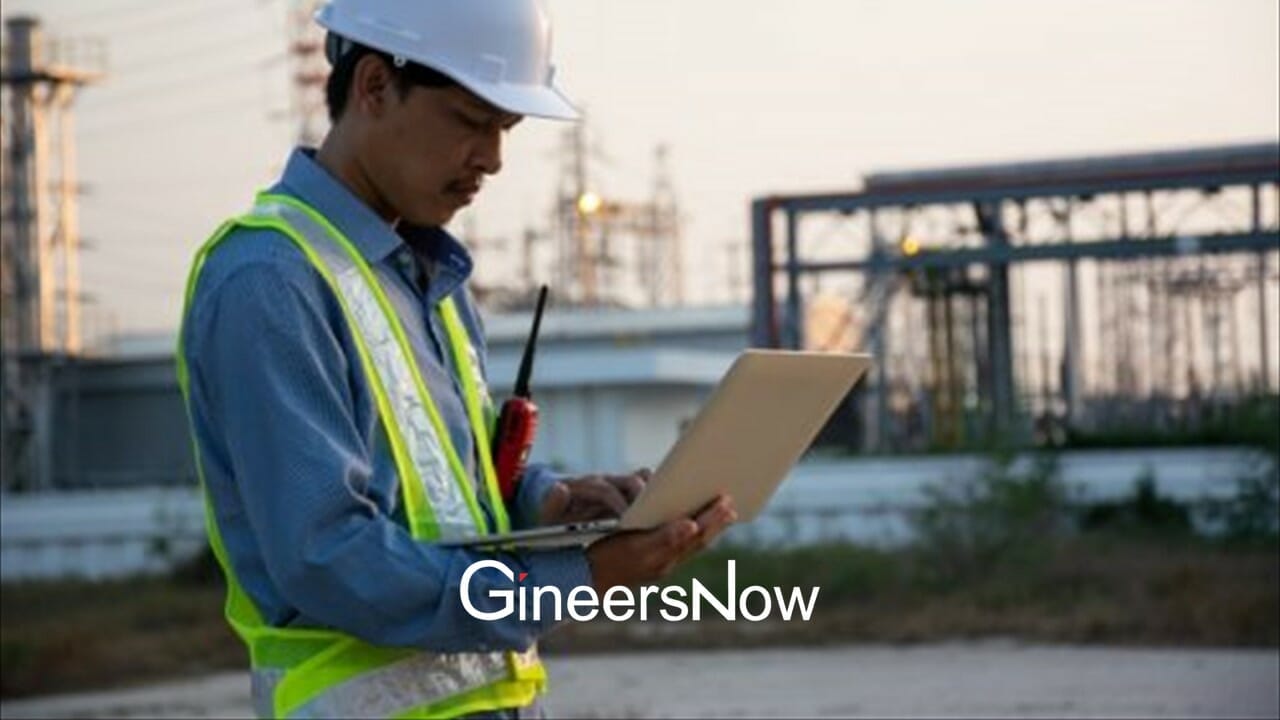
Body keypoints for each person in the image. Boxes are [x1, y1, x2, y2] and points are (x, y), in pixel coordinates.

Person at [175, 1, 737, 718]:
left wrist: (554, 503)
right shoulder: (270, 280)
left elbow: (451, 487)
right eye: (472, 122)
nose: (493, 160)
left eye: (506, 131)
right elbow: (329, 556)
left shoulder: (427, 279)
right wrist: (577, 575)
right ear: (375, 86)